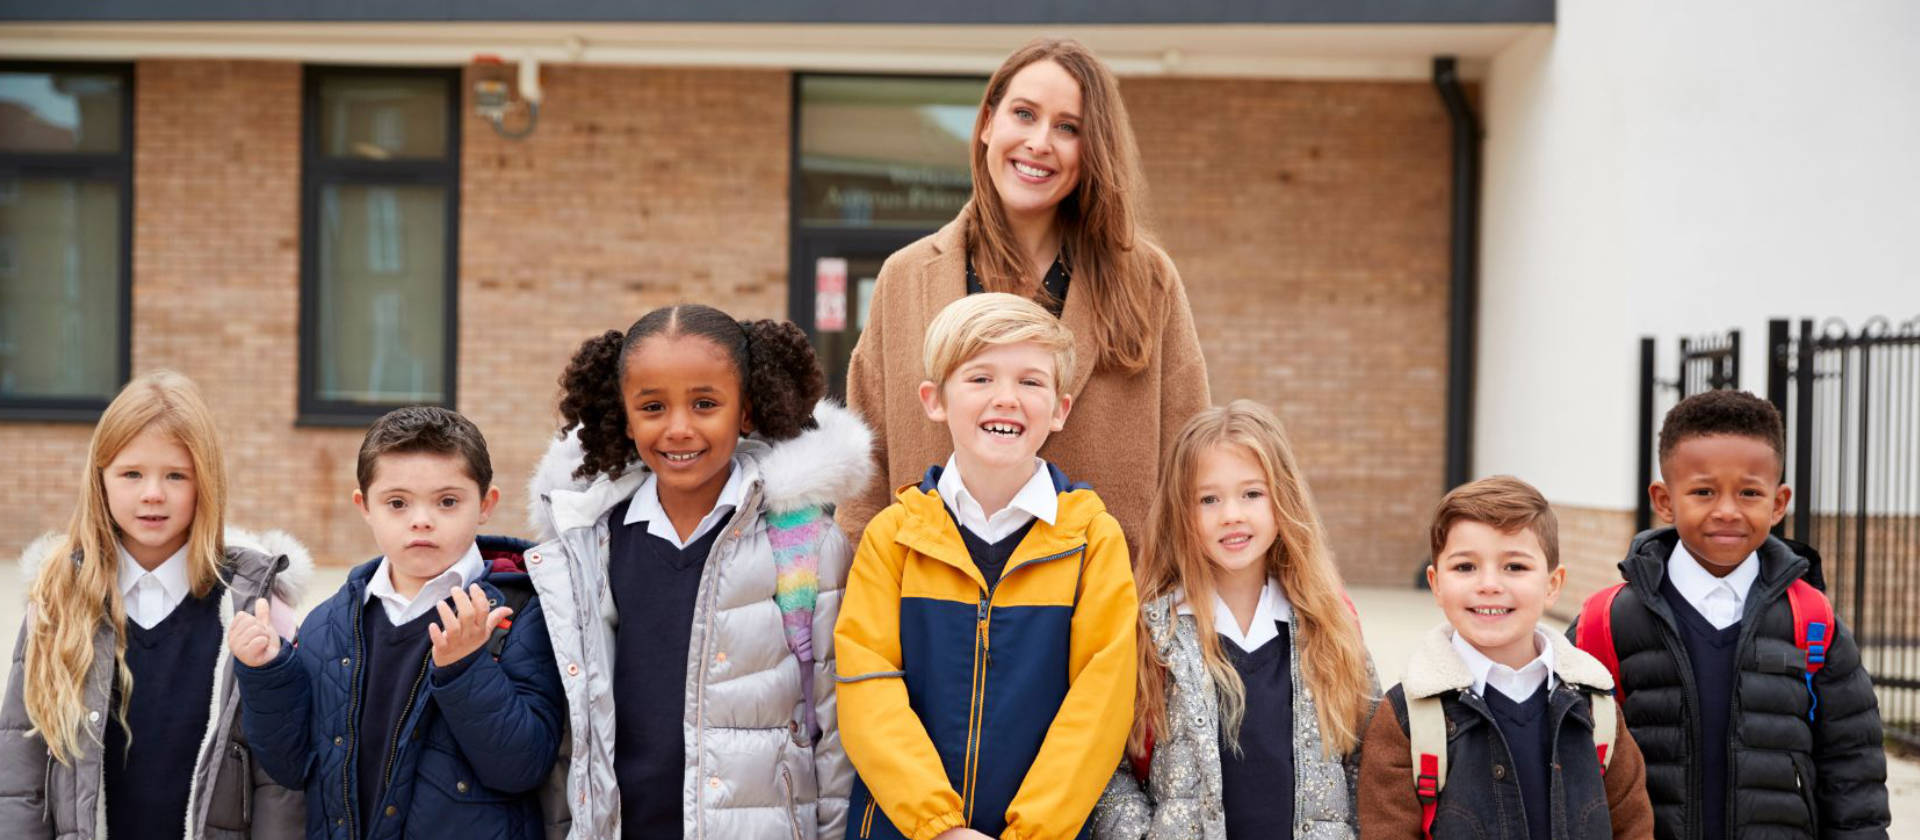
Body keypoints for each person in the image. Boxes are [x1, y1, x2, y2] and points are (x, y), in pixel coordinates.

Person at [840, 36, 1209, 541]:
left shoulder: (1148, 280)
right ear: (988, 123)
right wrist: (863, 603)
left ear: (1093, 148)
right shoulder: (904, 277)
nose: (1040, 142)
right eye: (1024, 114)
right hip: (930, 603)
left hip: (1103, 604)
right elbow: (865, 465)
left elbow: (1191, 459)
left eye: (1068, 127)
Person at [526, 304, 870, 839]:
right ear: (624, 413)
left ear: (747, 412)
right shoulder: (588, 544)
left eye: (705, 404)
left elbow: (834, 717)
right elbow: (573, 726)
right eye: (654, 406)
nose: (679, 428)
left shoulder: (803, 543)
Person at [836, 293, 1137, 840]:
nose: (1007, 399)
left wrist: (1034, 831)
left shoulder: (1093, 541)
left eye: (1030, 381)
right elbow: (867, 689)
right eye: (980, 379)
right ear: (935, 400)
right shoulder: (894, 539)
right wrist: (942, 828)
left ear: (1061, 408)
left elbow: (1101, 703)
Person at [0, 369, 308, 839]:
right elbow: (22, 777)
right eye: (131, 473)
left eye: (175, 475)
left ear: (205, 482)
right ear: (100, 479)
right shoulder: (57, 601)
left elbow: (279, 781)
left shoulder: (256, 604)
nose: (152, 494)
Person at [231, 406, 564, 840]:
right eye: (397, 502)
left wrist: (465, 668)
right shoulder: (326, 625)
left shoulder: (522, 613)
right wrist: (267, 674)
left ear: (485, 504)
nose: (421, 519)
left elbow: (522, 766)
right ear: (364, 506)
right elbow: (292, 768)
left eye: (447, 501)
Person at [1568, 391, 1889, 840]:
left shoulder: (1812, 621)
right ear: (1664, 499)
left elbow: (1853, 769)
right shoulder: (1605, 621)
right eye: (1703, 491)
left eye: (1749, 493)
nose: (1726, 511)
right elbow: (1566, 764)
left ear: (1778, 504)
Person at [1093, 400, 1374, 840]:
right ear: (1180, 513)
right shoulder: (1150, 630)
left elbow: (1366, 759)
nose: (1232, 515)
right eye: (1208, 499)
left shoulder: (1330, 623)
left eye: (1252, 494)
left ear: (1283, 498)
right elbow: (1109, 767)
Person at [1358, 476, 1653, 840]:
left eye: (1515, 567)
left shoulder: (1596, 708)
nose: (1489, 584)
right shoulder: (1408, 717)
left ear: (1552, 585)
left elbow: (1633, 827)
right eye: (1465, 567)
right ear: (1436, 584)